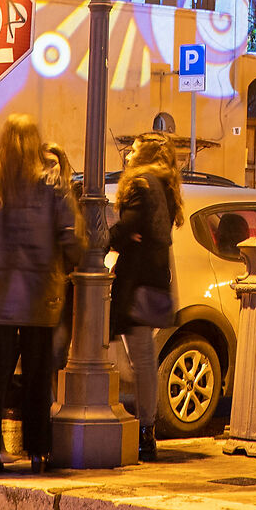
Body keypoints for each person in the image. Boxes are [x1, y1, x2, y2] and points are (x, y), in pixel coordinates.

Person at [0, 114, 81, 476]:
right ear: (36, 143)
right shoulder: (52, 183)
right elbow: (69, 236)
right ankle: (38, 452)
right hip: (40, 298)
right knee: (37, 378)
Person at [112, 132, 183, 464]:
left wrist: (103, 238)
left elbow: (128, 228)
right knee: (141, 358)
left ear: (145, 154)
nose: (128, 155)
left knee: (139, 359)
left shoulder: (141, 183)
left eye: (134, 150)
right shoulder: (164, 185)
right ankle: (144, 428)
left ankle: (144, 431)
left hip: (136, 282)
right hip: (151, 280)